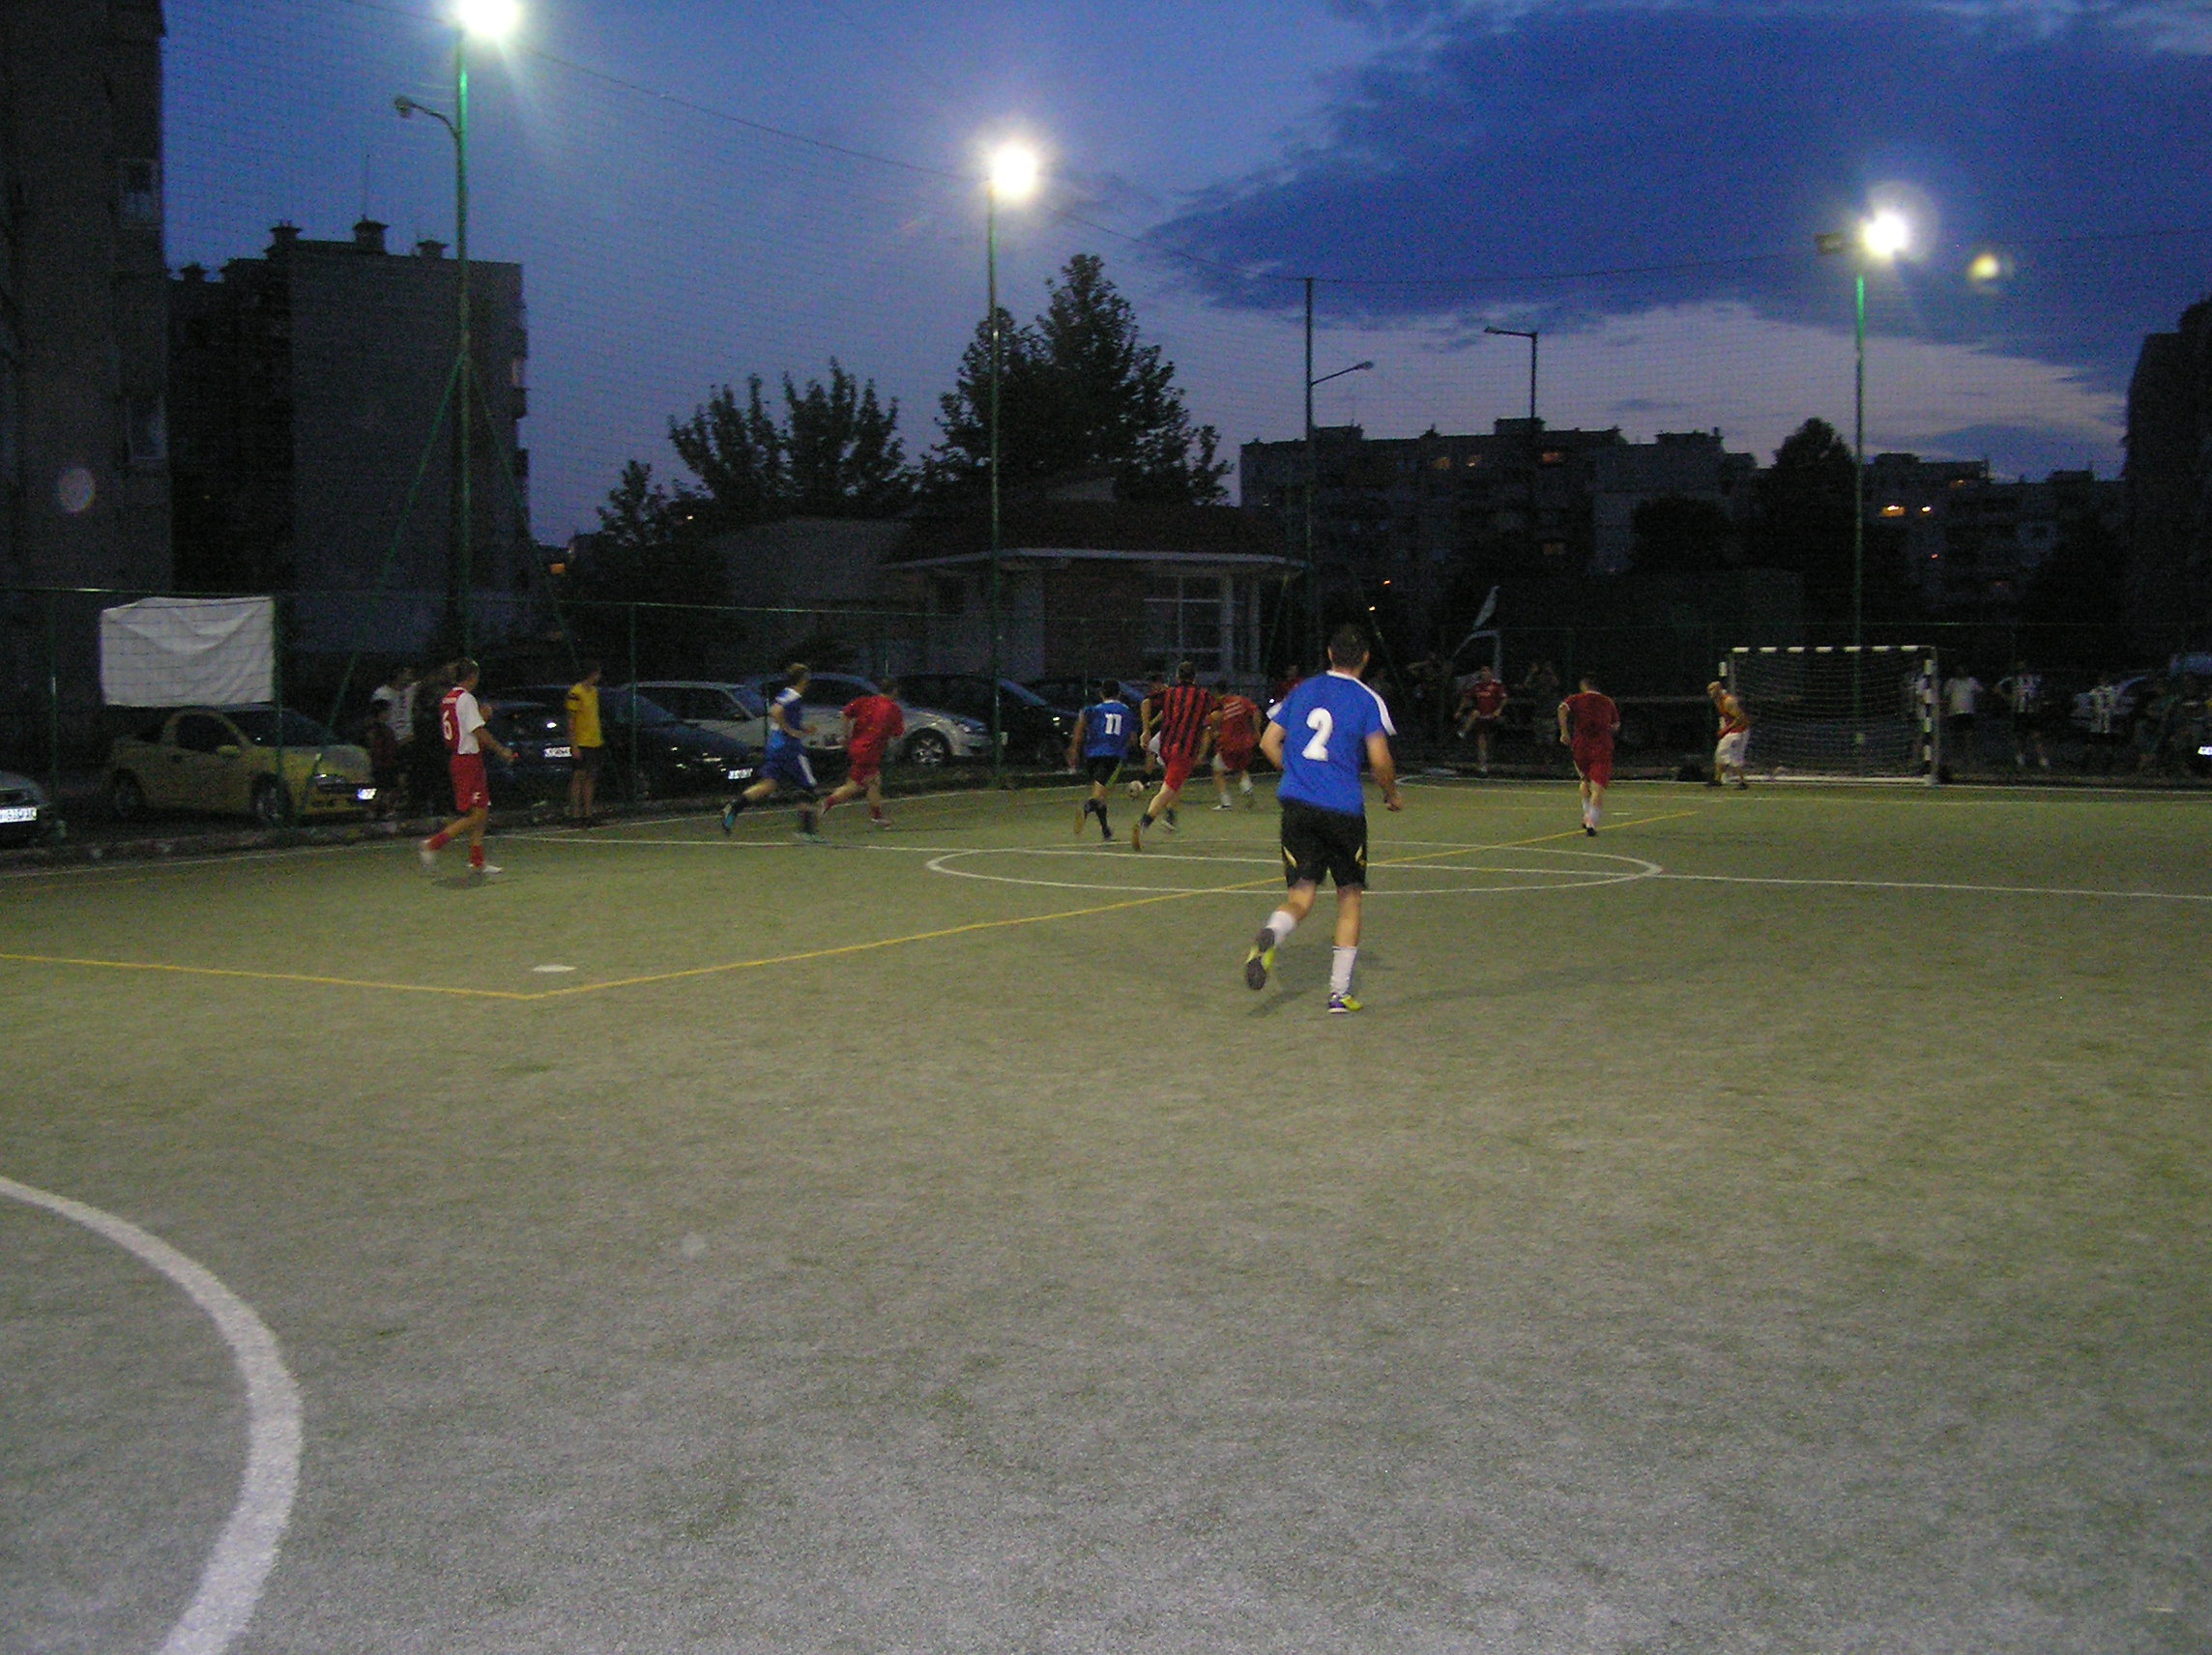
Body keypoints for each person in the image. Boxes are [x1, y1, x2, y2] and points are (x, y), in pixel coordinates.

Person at [1241, 624, 1403, 1014]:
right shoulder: (1367, 699)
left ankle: (1272, 933)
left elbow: (1268, 741)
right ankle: (1338, 994)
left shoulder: (1303, 690)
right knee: (1349, 897)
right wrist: (1390, 793)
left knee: (1300, 897)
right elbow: (1379, 759)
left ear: (1330, 653)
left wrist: (1297, 775)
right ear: (1366, 658)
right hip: (1343, 811)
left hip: (1298, 807)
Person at [419, 658, 518, 877]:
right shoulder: (465, 699)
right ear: (472, 676)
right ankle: (433, 844)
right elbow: (477, 731)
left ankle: (477, 860)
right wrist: (501, 750)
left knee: (482, 809)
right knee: (473, 814)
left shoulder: (449, 698)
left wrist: (480, 717)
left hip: (464, 757)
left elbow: (461, 726)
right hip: (466, 760)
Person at [721, 661, 824, 841]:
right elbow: (775, 711)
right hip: (789, 748)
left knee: (768, 784)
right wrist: (790, 731)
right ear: (803, 679)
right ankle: (806, 831)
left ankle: (734, 808)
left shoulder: (786, 693)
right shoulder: (793, 696)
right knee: (808, 787)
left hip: (775, 746)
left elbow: (782, 715)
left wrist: (802, 728)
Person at [1131, 661, 1214, 851]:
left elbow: (1146, 702)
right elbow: (1215, 715)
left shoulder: (1169, 693)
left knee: (1174, 782)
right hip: (1184, 749)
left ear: (1177, 676)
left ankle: (1169, 815)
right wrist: (1208, 729)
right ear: (1195, 677)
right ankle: (1144, 822)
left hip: (1165, 744)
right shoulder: (1202, 695)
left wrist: (1146, 730)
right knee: (1168, 789)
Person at [821, 676, 905, 828]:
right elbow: (897, 733)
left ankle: (877, 816)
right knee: (854, 786)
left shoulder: (866, 701)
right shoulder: (893, 709)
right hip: (869, 751)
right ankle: (827, 803)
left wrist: (845, 736)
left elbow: (845, 713)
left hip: (857, 747)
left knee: (874, 781)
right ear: (894, 691)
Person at [1065, 680, 1135, 841]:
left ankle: (1106, 831)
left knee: (1101, 795)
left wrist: (1074, 748)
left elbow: (1080, 724)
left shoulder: (1093, 710)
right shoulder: (1126, 711)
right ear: (1119, 694)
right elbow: (1132, 739)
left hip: (1091, 756)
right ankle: (1086, 808)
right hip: (1113, 756)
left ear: (1101, 694)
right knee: (1098, 797)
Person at [1557, 673, 1619, 836]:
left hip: (1580, 745)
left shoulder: (1575, 699)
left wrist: (1564, 732)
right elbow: (1616, 725)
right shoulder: (1607, 702)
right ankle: (1591, 821)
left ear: (1583, 686)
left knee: (1584, 780)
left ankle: (1586, 814)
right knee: (1597, 787)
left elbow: (1562, 709)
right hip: (1602, 746)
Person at [564, 660, 604, 827]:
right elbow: (571, 720)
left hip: (594, 741)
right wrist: (574, 745)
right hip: (581, 741)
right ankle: (575, 815)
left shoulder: (594, 692)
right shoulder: (575, 693)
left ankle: (588, 814)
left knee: (591, 776)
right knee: (578, 777)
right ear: (593, 673)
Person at [1209, 686, 1264, 808]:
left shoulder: (1220, 706)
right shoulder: (1241, 701)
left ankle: (1225, 802)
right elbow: (1256, 712)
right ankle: (1248, 789)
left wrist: (1214, 731)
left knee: (1217, 771)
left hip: (1227, 744)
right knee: (1240, 768)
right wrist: (1256, 731)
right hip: (1245, 743)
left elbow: (1213, 721)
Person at [1994, 661, 2050, 769]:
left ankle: (2043, 759)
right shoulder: (2013, 679)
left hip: (2033, 712)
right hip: (2019, 712)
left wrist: (2039, 701)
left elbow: (2043, 690)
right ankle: (2020, 758)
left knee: (2037, 735)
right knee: (2020, 736)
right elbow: (1997, 687)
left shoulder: (2036, 679)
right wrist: (2007, 698)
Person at [366, 667, 407, 817]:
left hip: (388, 762)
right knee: (383, 789)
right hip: (383, 764)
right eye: (386, 712)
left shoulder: (386, 730)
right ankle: (378, 810)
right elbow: (375, 747)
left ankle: (383, 809)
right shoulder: (376, 730)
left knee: (388, 788)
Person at [1454, 667, 1507, 774]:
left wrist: (1499, 710)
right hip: (1481, 717)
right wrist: (1459, 710)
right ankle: (1482, 765)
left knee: (1488, 740)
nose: (1484, 674)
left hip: (1492, 716)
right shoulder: (1477, 686)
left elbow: (1504, 698)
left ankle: (1488, 760)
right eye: (1482, 672)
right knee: (1481, 738)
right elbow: (1466, 698)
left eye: (1486, 672)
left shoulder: (1496, 685)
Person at [1706, 679, 1751, 788]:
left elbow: (1740, 718)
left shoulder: (1728, 701)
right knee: (1720, 754)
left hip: (1739, 731)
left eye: (1712, 690)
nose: (1710, 693)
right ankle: (1717, 779)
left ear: (1718, 690)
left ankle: (1742, 781)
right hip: (1731, 730)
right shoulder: (1717, 701)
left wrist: (1725, 730)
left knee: (1734, 755)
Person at [1943, 668, 1983, 769]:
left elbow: (1980, 693)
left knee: (1969, 737)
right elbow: (1946, 696)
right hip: (1954, 713)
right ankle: (1956, 759)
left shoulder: (1972, 681)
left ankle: (1970, 759)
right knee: (1956, 737)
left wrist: (1977, 706)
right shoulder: (1952, 682)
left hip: (1968, 713)